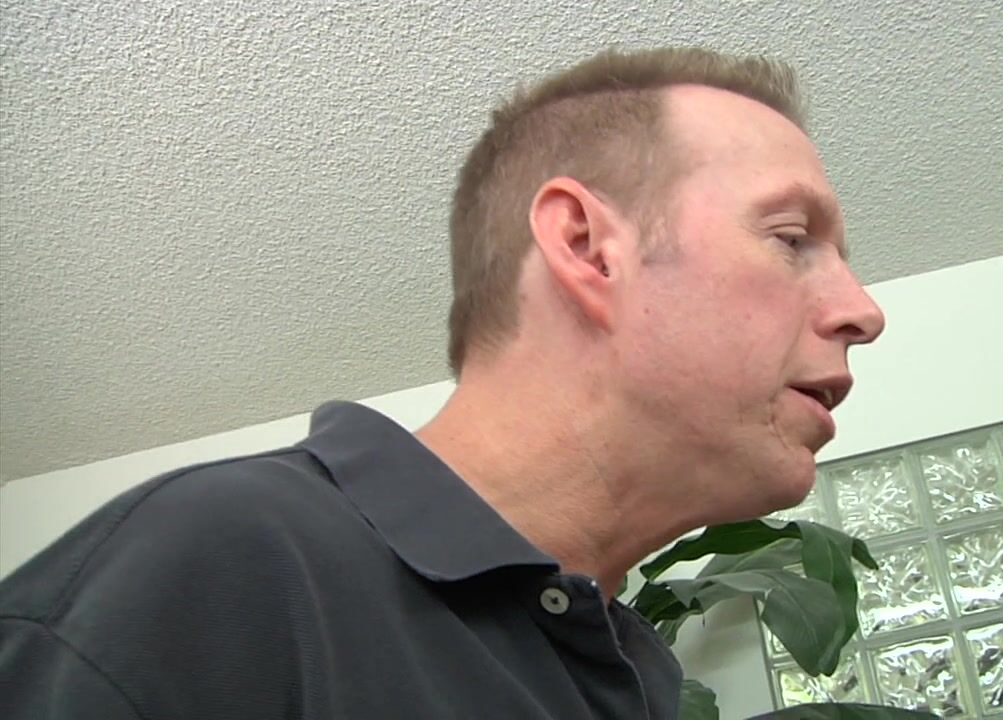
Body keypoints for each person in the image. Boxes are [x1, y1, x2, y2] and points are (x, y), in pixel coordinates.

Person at [0, 46, 884, 719]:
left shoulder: (634, 676)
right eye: (791, 237)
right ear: (585, 248)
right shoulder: (225, 567)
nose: (862, 311)